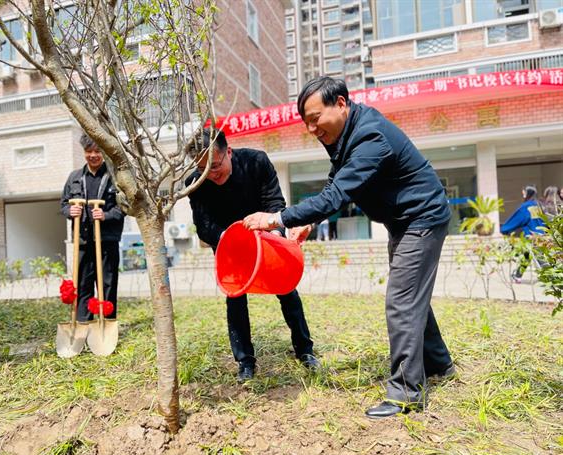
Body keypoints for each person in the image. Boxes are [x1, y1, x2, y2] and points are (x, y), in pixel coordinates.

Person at [243, 77, 454, 418]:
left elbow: (337, 195)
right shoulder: (345, 135)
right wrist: (308, 222)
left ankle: (406, 393)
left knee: (402, 301)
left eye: (316, 118)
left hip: (422, 218)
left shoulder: (370, 136)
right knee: (411, 296)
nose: (312, 129)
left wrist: (276, 218)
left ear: (341, 103)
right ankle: (440, 364)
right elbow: (338, 182)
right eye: (306, 123)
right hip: (404, 222)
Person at [185, 129, 319, 382]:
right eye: (203, 169)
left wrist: (274, 234)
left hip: (265, 235)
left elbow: (274, 203)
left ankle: (305, 350)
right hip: (228, 242)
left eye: (215, 166)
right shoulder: (196, 183)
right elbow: (203, 225)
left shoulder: (256, 162)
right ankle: (245, 361)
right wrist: (229, 239)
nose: (211, 174)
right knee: (235, 296)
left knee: (286, 288)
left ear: (228, 152)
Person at [60, 134, 125, 325]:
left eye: (97, 151)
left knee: (107, 284)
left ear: (103, 152)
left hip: (107, 241)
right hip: (83, 240)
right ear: (84, 152)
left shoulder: (114, 177)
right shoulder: (75, 178)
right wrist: (70, 211)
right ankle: (83, 324)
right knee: (82, 284)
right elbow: (64, 204)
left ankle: (107, 323)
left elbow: (125, 207)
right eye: (89, 151)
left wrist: (106, 215)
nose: (93, 155)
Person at [500, 185, 545, 283]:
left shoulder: (525, 207)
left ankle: (552, 279)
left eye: (524, 192)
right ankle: (518, 275)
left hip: (532, 236)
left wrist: (504, 229)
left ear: (528, 193)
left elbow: (517, 220)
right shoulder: (537, 205)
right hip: (542, 235)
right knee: (527, 255)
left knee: (540, 259)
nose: (523, 194)